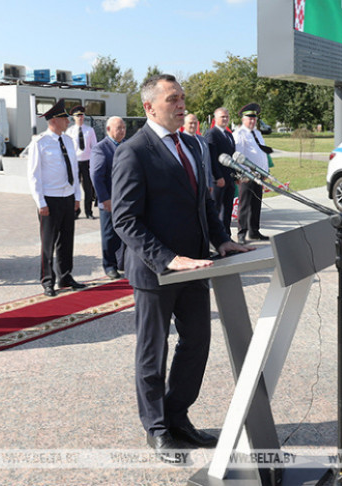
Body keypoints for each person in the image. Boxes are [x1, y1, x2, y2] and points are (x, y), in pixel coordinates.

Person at [112, 74, 251, 463]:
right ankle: (156, 430)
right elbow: (125, 219)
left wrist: (222, 238)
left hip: (196, 266)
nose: (180, 104)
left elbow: (203, 202)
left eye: (182, 97)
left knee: (197, 344)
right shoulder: (133, 151)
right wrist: (168, 258)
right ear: (149, 107)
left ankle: (177, 416)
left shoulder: (192, 144)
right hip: (156, 270)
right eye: (172, 98)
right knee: (152, 352)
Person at [28, 98, 86, 296]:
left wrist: (77, 197)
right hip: (49, 199)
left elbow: (74, 169)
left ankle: (65, 276)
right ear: (54, 120)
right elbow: (34, 175)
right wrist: (40, 202)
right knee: (48, 242)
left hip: (67, 197)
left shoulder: (68, 141)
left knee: (66, 240)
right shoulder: (39, 143)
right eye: (65, 119)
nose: (68, 122)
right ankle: (47, 280)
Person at [89, 116, 126, 280]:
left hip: (125, 199)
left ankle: (121, 262)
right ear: (109, 129)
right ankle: (109, 265)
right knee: (109, 234)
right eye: (119, 128)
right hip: (109, 200)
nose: (122, 131)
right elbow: (96, 176)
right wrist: (104, 199)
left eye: (124, 127)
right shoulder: (100, 148)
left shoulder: (125, 146)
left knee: (123, 232)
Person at [233, 102, 273, 245]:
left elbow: (261, 153)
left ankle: (254, 231)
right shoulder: (239, 134)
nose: (252, 121)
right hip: (247, 175)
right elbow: (237, 155)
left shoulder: (257, 133)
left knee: (256, 204)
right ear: (243, 119)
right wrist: (241, 173)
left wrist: (265, 171)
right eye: (249, 118)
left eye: (254, 118)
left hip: (259, 175)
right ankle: (242, 233)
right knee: (245, 204)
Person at [204, 107, 236, 235]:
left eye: (227, 117)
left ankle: (226, 235)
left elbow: (232, 156)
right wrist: (218, 177)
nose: (225, 119)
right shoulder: (211, 134)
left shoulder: (228, 134)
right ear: (215, 118)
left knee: (227, 209)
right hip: (218, 180)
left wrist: (236, 175)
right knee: (216, 210)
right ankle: (215, 238)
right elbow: (211, 157)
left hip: (230, 178)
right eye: (222, 117)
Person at [66, 105, 98, 219]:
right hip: (75, 162)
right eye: (78, 115)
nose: (80, 117)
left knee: (88, 188)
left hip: (87, 162)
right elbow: (68, 149)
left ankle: (88, 212)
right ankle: (76, 211)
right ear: (73, 117)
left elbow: (94, 147)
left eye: (82, 115)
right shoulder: (69, 131)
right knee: (75, 187)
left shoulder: (89, 130)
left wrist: (94, 162)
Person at [183, 113, 215, 196]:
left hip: (204, 184)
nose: (193, 125)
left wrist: (209, 183)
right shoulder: (180, 140)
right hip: (189, 185)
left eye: (195, 123)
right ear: (184, 124)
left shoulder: (203, 140)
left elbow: (207, 162)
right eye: (190, 123)